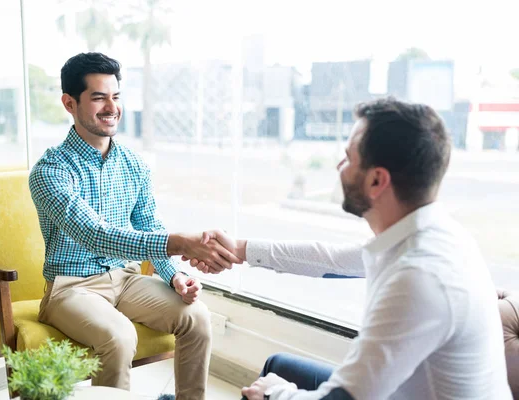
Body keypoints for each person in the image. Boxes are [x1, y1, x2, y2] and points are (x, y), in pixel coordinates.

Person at [186, 98, 512, 399]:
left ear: (376, 181)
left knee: (267, 387)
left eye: (348, 157)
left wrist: (277, 394)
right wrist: (240, 249)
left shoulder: (419, 277)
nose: (339, 165)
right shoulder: (432, 235)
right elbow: (331, 260)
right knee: (278, 365)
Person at [28, 52, 241, 400]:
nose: (111, 107)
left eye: (116, 96)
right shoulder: (50, 171)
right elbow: (95, 235)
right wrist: (181, 243)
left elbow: (148, 224)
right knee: (119, 336)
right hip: (71, 289)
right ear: (70, 103)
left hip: (125, 280)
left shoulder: (133, 164)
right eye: (98, 97)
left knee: (198, 317)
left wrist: (173, 275)